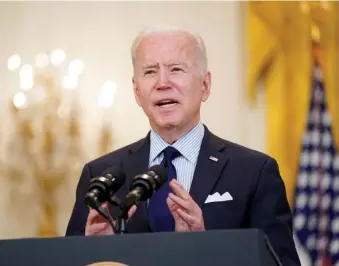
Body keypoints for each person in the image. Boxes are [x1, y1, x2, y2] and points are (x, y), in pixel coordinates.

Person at [65, 25, 300, 266]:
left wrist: (202, 248)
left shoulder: (254, 172)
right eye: (149, 72)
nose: (162, 83)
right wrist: (94, 252)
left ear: (205, 86)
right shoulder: (101, 177)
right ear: (136, 91)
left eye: (176, 69)